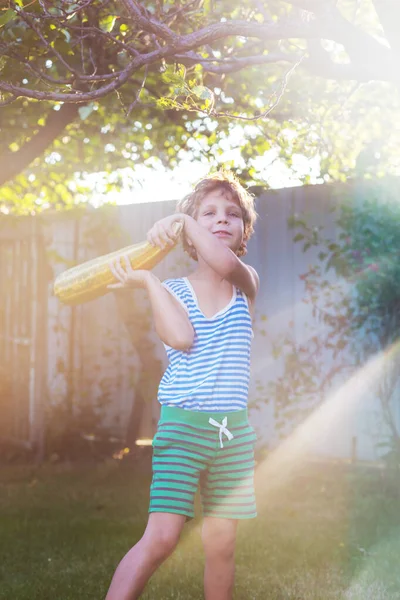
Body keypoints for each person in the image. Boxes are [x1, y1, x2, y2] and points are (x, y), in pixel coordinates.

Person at [105, 170, 259, 600]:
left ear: (244, 230)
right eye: (207, 213)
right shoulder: (173, 289)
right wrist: (150, 282)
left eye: (232, 214)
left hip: (232, 433)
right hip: (183, 430)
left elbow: (225, 263)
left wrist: (183, 220)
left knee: (222, 543)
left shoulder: (246, 284)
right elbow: (180, 338)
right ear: (190, 237)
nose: (221, 220)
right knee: (163, 539)